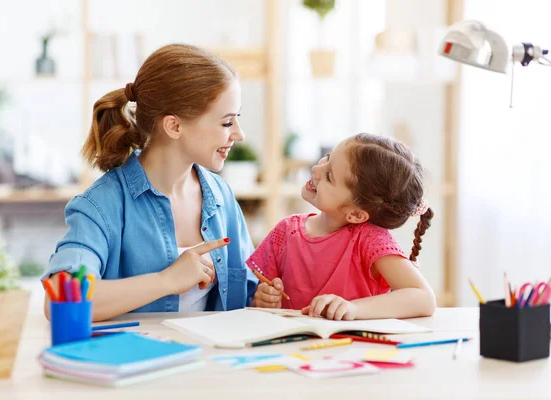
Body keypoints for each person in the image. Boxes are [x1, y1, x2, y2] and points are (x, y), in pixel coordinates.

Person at [43, 44, 258, 322]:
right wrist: (167, 281)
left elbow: (250, 286)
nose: (239, 135)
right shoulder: (102, 205)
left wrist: (263, 295)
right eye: (227, 123)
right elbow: (60, 301)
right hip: (136, 362)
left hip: (212, 361)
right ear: (174, 126)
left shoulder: (221, 196)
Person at [248, 133, 436, 320]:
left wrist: (353, 308)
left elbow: (424, 298)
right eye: (328, 157)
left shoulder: (370, 240)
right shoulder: (285, 231)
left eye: (329, 176)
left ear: (355, 214)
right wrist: (263, 299)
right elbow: (255, 295)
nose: (316, 168)